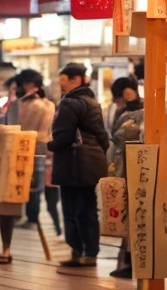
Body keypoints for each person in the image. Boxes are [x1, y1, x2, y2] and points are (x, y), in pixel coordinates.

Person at [48, 62, 109, 271]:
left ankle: (77, 251)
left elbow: (63, 137)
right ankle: (90, 253)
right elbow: (103, 136)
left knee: (72, 210)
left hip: (73, 164)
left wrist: (50, 145)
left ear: (74, 79)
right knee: (88, 209)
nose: (61, 85)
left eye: (63, 81)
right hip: (91, 164)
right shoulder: (92, 101)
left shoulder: (70, 103)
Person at [8, 69, 56, 231]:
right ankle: (32, 217)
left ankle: (17, 215)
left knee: (17, 183)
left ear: (29, 85)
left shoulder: (17, 105)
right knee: (34, 187)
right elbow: (47, 133)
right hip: (38, 151)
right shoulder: (48, 105)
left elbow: (9, 126)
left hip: (18, 150)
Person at [106, 76, 143, 280]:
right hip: (126, 168)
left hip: (131, 169)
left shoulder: (135, 113)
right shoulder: (132, 111)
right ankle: (128, 262)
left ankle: (132, 262)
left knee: (132, 214)